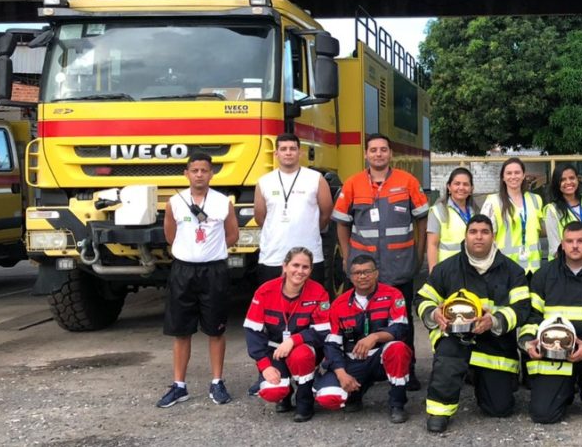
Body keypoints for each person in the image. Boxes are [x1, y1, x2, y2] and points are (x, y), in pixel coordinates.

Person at [416, 215, 530, 433]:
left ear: (493, 236)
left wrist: (494, 320)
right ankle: (440, 410)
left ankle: (477, 375)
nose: (479, 237)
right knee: (448, 358)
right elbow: (422, 299)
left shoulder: (512, 271)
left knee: (499, 408)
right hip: (454, 337)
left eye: (484, 232)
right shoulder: (447, 268)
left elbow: (522, 307)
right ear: (466, 235)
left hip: (493, 340)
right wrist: (434, 314)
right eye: (473, 231)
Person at [334, 133, 429, 390]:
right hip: (363, 268)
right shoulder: (353, 184)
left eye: (383, 150)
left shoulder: (408, 182)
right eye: (373, 150)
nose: (378, 154)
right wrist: (346, 255)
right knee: (361, 318)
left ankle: (406, 369)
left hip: (399, 265)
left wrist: (418, 255)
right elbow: (342, 224)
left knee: (402, 319)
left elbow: (422, 219)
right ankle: (366, 367)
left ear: (390, 154)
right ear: (366, 154)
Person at [519, 221, 582, 423]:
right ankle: (564, 391)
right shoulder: (544, 275)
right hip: (553, 350)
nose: (575, 246)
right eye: (570, 241)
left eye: (580, 241)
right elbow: (532, 315)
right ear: (562, 244)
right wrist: (528, 342)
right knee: (543, 415)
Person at [157, 151, 239, 408]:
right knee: (181, 331)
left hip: (214, 272)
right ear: (187, 173)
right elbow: (171, 235)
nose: (200, 175)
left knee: (216, 329)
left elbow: (233, 235)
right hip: (184, 271)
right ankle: (179, 385)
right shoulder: (174, 202)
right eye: (195, 170)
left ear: (211, 173)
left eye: (204, 170)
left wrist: (212, 251)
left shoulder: (223, 202)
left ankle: (217, 381)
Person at [314, 254, 412, 424]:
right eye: (357, 273)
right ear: (350, 277)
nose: (362, 276)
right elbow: (331, 344)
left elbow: (400, 328)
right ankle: (356, 393)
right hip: (352, 361)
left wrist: (375, 337)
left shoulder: (393, 295)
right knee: (329, 397)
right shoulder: (339, 304)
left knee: (398, 348)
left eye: (367, 271)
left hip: (381, 358)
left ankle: (397, 404)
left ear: (376, 273)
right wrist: (341, 373)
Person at [243, 247, 331, 422]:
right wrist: (264, 365)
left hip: (303, 349)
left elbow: (323, 331)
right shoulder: (265, 291)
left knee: (301, 355)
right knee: (271, 391)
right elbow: (253, 331)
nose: (299, 271)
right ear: (284, 266)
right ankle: (285, 393)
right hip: (274, 351)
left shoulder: (318, 292)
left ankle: (305, 401)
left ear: (311, 270)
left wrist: (294, 340)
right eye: (295, 265)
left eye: (305, 267)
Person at [254, 132, 333, 286]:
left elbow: (326, 213)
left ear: (300, 152)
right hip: (273, 256)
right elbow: (260, 217)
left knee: (310, 304)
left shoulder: (316, 179)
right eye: (283, 149)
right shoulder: (264, 182)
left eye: (292, 148)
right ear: (276, 153)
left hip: (309, 255)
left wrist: (311, 228)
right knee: (274, 305)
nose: (288, 152)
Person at [480, 158, 544, 274]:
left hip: (533, 269)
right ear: (503, 178)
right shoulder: (493, 201)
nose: (513, 176)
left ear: (523, 175)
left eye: (517, 172)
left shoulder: (536, 200)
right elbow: (487, 237)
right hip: (505, 269)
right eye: (509, 173)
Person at [542, 163, 582, 255]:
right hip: (567, 265)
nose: (568, 182)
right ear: (557, 184)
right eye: (563, 180)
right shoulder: (552, 210)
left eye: (572, 178)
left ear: (578, 179)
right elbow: (555, 248)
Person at [426, 167, 476, 272]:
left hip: (473, 269)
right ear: (449, 187)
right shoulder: (438, 211)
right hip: (448, 271)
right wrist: (433, 273)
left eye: (466, 184)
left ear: (471, 189)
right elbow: (432, 245)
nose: (461, 188)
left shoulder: (476, 211)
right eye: (457, 184)